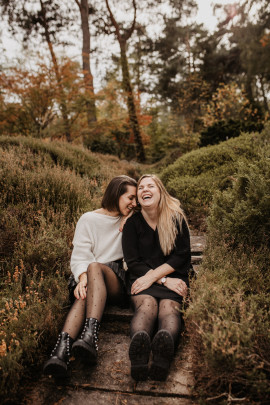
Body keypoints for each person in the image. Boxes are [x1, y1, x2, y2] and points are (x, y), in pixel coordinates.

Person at [43, 175, 137, 378]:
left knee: (95, 267)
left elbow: (132, 259)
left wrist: (129, 223)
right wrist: (83, 277)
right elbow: (80, 256)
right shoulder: (88, 219)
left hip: (115, 281)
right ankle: (61, 352)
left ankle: (88, 337)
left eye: (136, 199)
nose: (134, 203)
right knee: (83, 294)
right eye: (130, 198)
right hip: (89, 276)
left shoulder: (132, 220)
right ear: (116, 193)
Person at [122, 174, 191, 381]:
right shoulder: (132, 224)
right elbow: (133, 262)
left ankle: (163, 355)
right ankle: (140, 355)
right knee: (147, 304)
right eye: (141, 187)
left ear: (160, 192)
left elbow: (182, 256)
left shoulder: (176, 217)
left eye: (150, 186)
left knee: (169, 307)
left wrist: (161, 278)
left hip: (174, 276)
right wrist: (159, 280)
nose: (145, 189)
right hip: (141, 277)